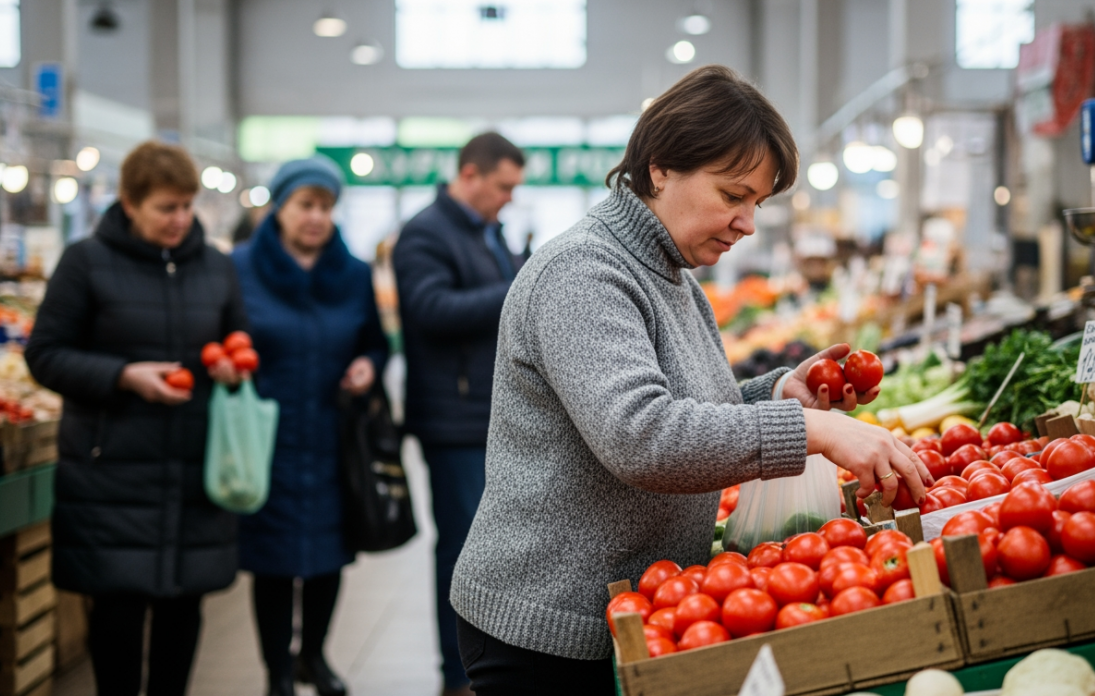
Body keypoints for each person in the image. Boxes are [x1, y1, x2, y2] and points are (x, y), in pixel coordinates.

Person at [449, 66, 934, 694]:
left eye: (756, 203)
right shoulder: (583, 274)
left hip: (634, 608)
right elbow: (642, 436)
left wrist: (778, 393)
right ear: (659, 170)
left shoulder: (670, 272)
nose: (747, 223)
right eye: (733, 196)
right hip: (550, 625)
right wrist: (812, 430)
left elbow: (690, 404)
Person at [25, 141, 246, 696]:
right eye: (165, 208)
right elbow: (45, 354)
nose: (180, 219)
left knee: (183, 608)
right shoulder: (85, 263)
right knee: (117, 613)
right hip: (111, 471)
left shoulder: (216, 267)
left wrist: (232, 368)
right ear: (129, 202)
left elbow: (238, 342)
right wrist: (124, 375)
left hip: (194, 468)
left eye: (186, 206)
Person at [231, 156, 389, 696]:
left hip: (332, 435)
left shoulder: (354, 274)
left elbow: (374, 342)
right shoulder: (240, 269)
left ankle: (314, 657)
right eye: (305, 205)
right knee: (272, 561)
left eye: (325, 206)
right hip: (266, 437)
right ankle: (277, 671)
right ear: (280, 206)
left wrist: (369, 365)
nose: (317, 216)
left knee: (328, 556)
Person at [392, 132, 525, 696]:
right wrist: (519, 288)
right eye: (503, 186)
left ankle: (486, 666)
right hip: (454, 417)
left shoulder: (488, 230)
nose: (509, 198)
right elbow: (430, 310)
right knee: (461, 549)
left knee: (491, 549)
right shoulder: (424, 233)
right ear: (470, 174)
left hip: (490, 415)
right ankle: (458, 674)